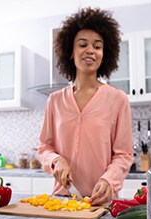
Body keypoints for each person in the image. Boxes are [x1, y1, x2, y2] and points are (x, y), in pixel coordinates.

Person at [38, 7, 134, 206]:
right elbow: (44, 148)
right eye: (82, 45)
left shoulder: (118, 99)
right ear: (71, 52)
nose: (90, 50)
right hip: (63, 201)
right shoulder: (55, 101)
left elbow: (124, 155)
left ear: (104, 54)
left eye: (97, 46)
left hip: (101, 202)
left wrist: (109, 180)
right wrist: (56, 160)